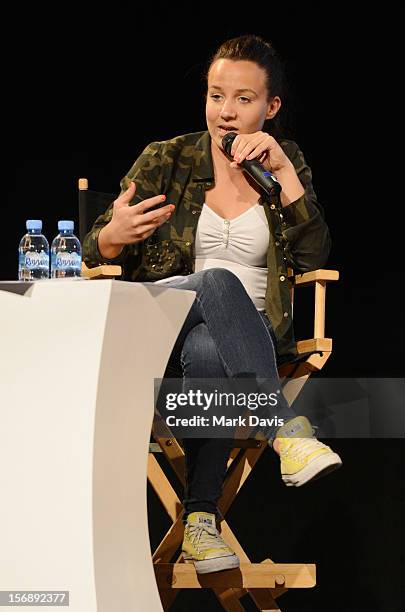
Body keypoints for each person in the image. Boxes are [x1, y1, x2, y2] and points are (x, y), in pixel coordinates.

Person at [83, 34, 342, 575]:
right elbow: (90, 255)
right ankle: (284, 429)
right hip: (162, 327)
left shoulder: (284, 163)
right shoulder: (167, 158)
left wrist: (286, 178)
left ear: (271, 107)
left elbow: (316, 253)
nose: (226, 112)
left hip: (253, 340)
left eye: (244, 99)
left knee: (210, 349)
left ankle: (201, 522)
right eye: (216, 95)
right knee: (215, 284)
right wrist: (111, 237)